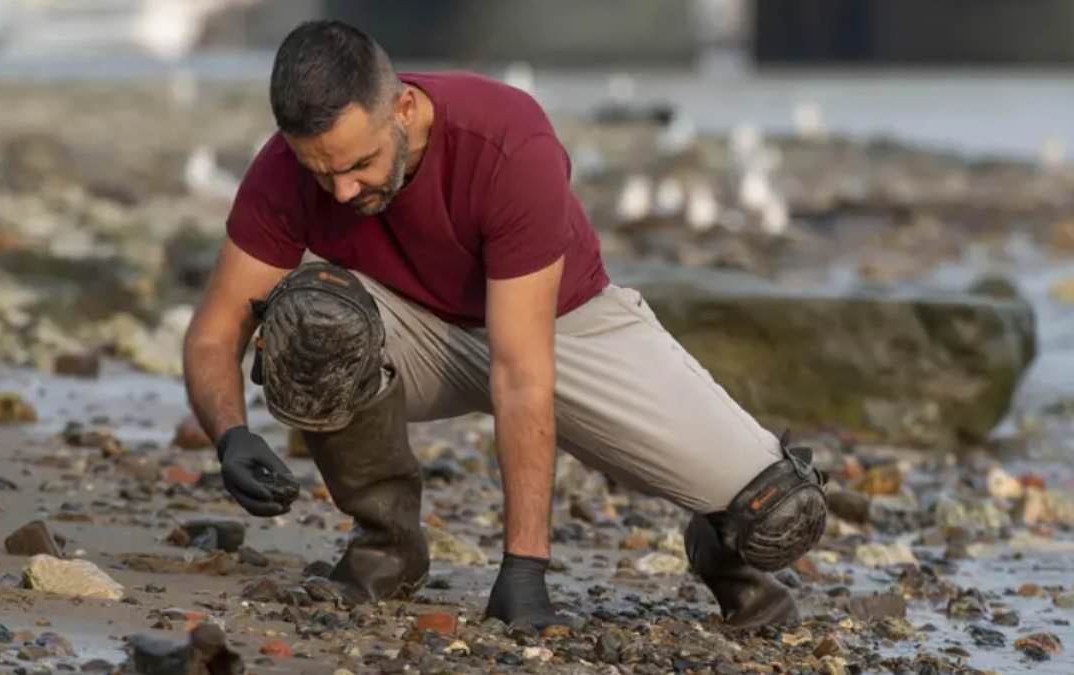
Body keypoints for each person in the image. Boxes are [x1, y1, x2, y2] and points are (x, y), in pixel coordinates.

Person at [182, 19, 827, 630]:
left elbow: (520, 371)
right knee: (307, 320)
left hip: (565, 328)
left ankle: (717, 548)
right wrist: (230, 435)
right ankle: (387, 548)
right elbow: (216, 330)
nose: (343, 191)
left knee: (779, 514)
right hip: (414, 333)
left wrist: (525, 571)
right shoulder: (285, 170)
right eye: (323, 173)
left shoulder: (507, 139)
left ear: (403, 109)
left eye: (359, 165)